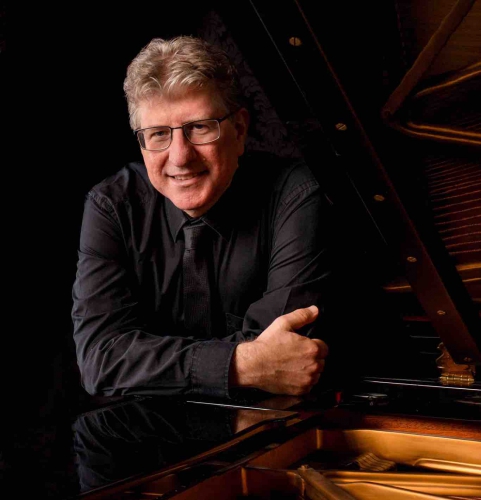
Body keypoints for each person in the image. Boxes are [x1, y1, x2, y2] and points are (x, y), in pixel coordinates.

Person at [72, 35, 332, 400]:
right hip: (149, 429)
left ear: (239, 130)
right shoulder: (112, 206)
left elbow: (287, 352)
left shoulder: (295, 195)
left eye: (200, 127)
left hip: (275, 421)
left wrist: (151, 363)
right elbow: (100, 359)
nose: (180, 157)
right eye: (158, 134)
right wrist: (244, 364)